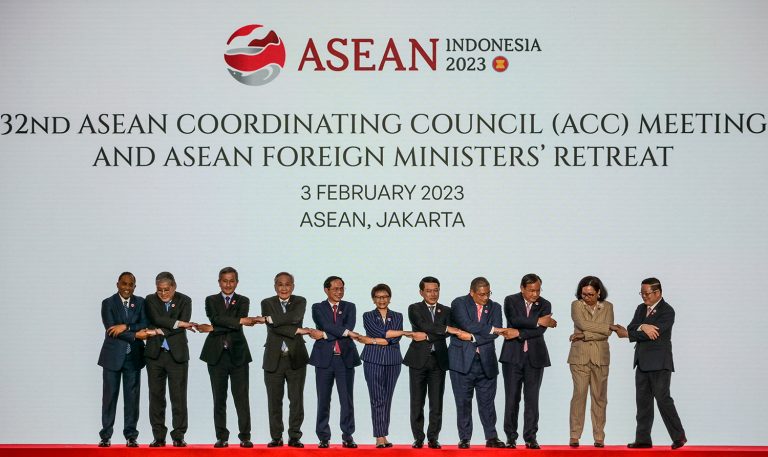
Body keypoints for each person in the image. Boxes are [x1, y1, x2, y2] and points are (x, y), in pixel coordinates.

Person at [615, 278, 687, 450]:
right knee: (643, 403)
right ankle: (643, 439)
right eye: (642, 293)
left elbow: (653, 334)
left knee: (663, 399)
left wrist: (635, 332)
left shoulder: (668, 311)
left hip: (660, 363)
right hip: (642, 362)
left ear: (658, 293)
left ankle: (679, 436)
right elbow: (632, 327)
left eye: (647, 293)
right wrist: (643, 326)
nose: (644, 297)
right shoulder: (641, 309)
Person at [403, 276, 466, 449]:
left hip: (439, 360)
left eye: (436, 290)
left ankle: (433, 437)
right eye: (429, 290)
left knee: (436, 402)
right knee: (417, 401)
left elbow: (443, 334)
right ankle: (418, 437)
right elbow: (423, 325)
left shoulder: (446, 310)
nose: (433, 294)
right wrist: (445, 328)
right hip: (418, 360)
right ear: (421, 292)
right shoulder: (414, 308)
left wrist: (433, 334)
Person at [197, 267, 258, 448]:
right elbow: (216, 318)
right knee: (219, 398)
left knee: (241, 397)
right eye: (225, 281)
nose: (228, 284)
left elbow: (228, 323)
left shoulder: (243, 300)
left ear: (236, 282)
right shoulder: (211, 300)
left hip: (238, 355)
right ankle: (222, 436)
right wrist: (237, 321)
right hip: (216, 356)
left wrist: (214, 328)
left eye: (232, 281)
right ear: (219, 282)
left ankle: (245, 436)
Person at [355, 284, 422, 448]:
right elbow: (380, 332)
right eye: (378, 297)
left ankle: (384, 435)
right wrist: (403, 333)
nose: (381, 300)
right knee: (377, 398)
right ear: (373, 299)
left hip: (393, 361)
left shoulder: (397, 316)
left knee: (387, 398)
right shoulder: (368, 315)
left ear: (389, 298)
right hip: (373, 360)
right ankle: (379, 436)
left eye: (384, 297)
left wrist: (373, 340)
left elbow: (392, 339)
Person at [448, 277, 508, 449]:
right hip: (461, 362)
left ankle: (491, 437)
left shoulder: (495, 307)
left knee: (488, 402)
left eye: (488, 293)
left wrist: (473, 337)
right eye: (481, 294)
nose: (485, 298)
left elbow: (496, 332)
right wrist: (490, 329)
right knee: (463, 401)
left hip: (486, 362)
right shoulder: (459, 303)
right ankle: (465, 438)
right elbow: (467, 324)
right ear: (472, 292)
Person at [499, 273, 557, 449]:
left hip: (535, 357)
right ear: (522, 288)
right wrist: (538, 320)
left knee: (532, 399)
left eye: (538, 290)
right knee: (512, 398)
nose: (535, 294)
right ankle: (511, 437)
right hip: (512, 357)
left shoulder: (545, 304)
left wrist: (519, 332)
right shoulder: (510, 300)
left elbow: (540, 331)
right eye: (531, 290)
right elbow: (514, 320)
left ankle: (530, 437)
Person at [97, 272, 155, 447]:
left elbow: (145, 323)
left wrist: (127, 326)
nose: (127, 288)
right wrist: (136, 334)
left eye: (131, 285)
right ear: (117, 284)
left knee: (132, 398)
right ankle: (105, 435)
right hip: (112, 357)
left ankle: (131, 436)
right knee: (109, 397)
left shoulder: (140, 302)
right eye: (124, 284)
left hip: (134, 357)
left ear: (134, 286)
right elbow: (111, 330)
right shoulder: (108, 303)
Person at [261, 272, 316, 448]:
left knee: (296, 400)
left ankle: (294, 436)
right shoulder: (267, 302)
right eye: (280, 284)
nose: (284, 288)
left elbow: (295, 318)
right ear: (275, 286)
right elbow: (273, 328)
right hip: (273, 359)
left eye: (287, 284)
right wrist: (298, 330)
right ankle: (276, 436)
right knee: (274, 400)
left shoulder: (300, 301)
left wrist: (274, 320)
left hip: (296, 358)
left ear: (293, 286)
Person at [144, 271, 197, 447]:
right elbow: (155, 318)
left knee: (178, 397)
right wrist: (178, 323)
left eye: (167, 290)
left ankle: (179, 435)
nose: (163, 294)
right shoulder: (150, 300)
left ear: (174, 286)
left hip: (177, 356)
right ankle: (158, 436)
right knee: (156, 397)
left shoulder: (185, 300)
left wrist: (158, 330)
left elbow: (184, 321)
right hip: (155, 356)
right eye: (160, 290)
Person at [308, 276, 362, 448]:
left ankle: (347, 436)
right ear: (326, 290)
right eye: (335, 289)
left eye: (342, 288)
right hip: (324, 360)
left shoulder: (350, 306)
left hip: (345, 360)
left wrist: (323, 334)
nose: (339, 292)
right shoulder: (317, 307)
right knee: (323, 399)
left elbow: (348, 326)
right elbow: (324, 324)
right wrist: (343, 332)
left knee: (346, 400)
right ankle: (324, 436)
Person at [566, 276, 614, 448]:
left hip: (600, 357)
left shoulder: (608, 307)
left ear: (599, 292)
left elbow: (605, 334)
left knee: (600, 397)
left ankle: (599, 436)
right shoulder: (576, 305)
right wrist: (610, 327)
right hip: (580, 357)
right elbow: (582, 323)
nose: (587, 297)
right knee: (579, 395)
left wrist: (584, 335)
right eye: (584, 294)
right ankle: (574, 435)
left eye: (591, 294)